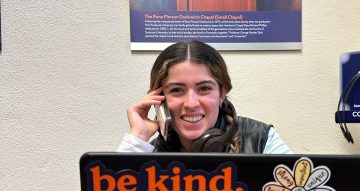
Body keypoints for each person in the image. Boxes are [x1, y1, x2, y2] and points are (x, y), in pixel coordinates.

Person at [118, 40, 291, 154]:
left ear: (222, 93)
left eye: (204, 88)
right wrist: (138, 138)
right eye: (177, 90)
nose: (191, 103)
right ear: (159, 99)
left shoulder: (261, 138)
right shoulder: (146, 152)